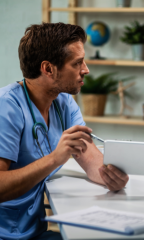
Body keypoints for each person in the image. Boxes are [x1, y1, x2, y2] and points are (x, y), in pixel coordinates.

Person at [0, 22, 129, 240]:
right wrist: (53, 159)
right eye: (77, 63)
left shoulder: (64, 103)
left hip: (35, 232)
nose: (86, 69)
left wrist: (110, 177)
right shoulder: (7, 108)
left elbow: (92, 161)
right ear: (48, 69)